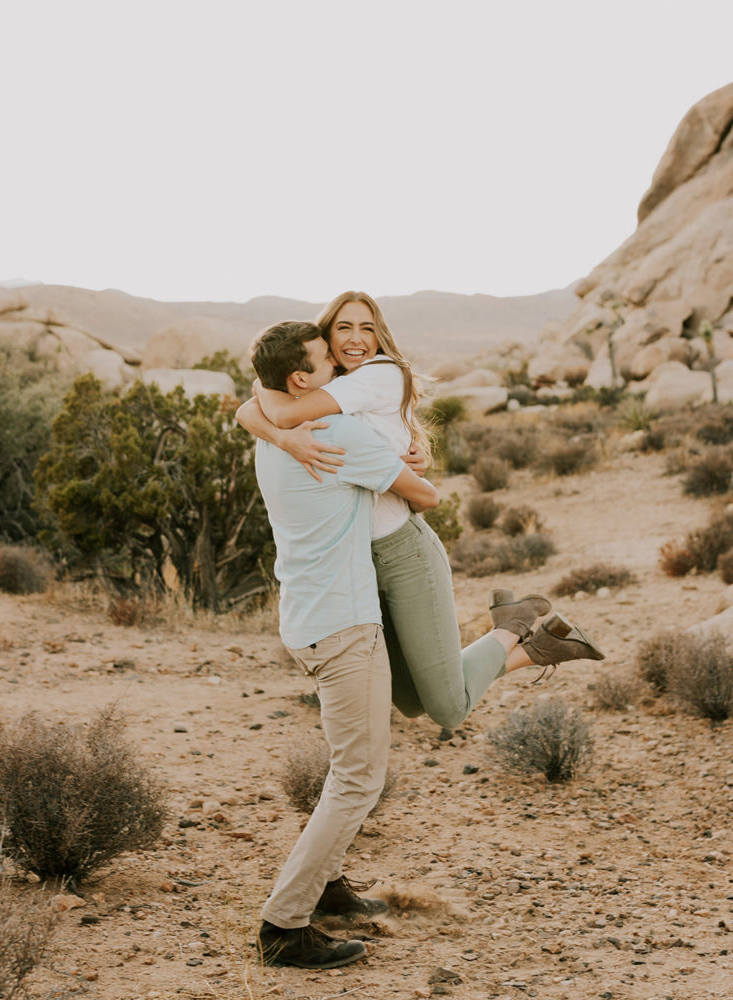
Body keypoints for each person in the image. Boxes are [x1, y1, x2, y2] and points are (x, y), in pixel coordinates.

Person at [237, 292, 604, 733]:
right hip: (359, 563)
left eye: (367, 328)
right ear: (325, 340)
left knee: (448, 709)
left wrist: (271, 409)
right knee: (410, 701)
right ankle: (534, 640)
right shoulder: (332, 387)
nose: (356, 339)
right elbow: (254, 411)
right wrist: (281, 432)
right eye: (344, 329)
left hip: (403, 552)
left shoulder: (377, 374)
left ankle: (517, 625)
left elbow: (273, 408)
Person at [241, 319, 439, 970]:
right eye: (329, 359)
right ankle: (283, 924)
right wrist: (411, 459)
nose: (341, 366)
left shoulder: (277, 432)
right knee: (358, 778)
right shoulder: (336, 432)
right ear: (301, 380)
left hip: (306, 616)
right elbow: (425, 497)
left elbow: (252, 405)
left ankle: (325, 886)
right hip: (345, 626)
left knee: (346, 766)